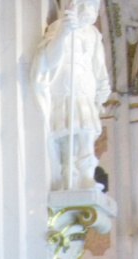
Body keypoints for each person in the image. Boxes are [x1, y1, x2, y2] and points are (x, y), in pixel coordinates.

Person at [32, 0, 111, 190]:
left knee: (86, 132)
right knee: (67, 132)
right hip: (65, 88)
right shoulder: (60, 27)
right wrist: (63, 33)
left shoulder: (93, 34)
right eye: (87, 5)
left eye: (94, 7)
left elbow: (98, 64)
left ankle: (86, 176)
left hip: (85, 89)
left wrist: (103, 85)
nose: (91, 10)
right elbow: (48, 59)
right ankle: (69, 177)